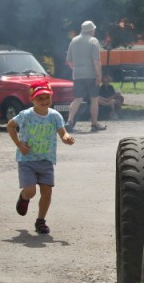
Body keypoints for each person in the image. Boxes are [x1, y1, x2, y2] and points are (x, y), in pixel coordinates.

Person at [7, 82, 75, 234]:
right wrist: (19, 144)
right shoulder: (26, 115)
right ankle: (24, 197)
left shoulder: (54, 116)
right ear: (32, 99)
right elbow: (10, 126)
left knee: (47, 191)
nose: (44, 101)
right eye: (40, 98)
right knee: (30, 191)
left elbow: (62, 133)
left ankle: (41, 221)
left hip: (46, 160)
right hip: (27, 159)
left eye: (47, 97)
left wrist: (67, 138)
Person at [65, 20, 106, 132]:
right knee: (94, 99)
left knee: (77, 98)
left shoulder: (74, 40)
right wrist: (98, 76)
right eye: (94, 29)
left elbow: (68, 60)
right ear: (91, 30)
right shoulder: (93, 41)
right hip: (91, 75)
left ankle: (69, 121)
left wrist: (76, 69)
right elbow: (96, 61)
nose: (95, 31)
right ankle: (94, 124)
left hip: (77, 75)